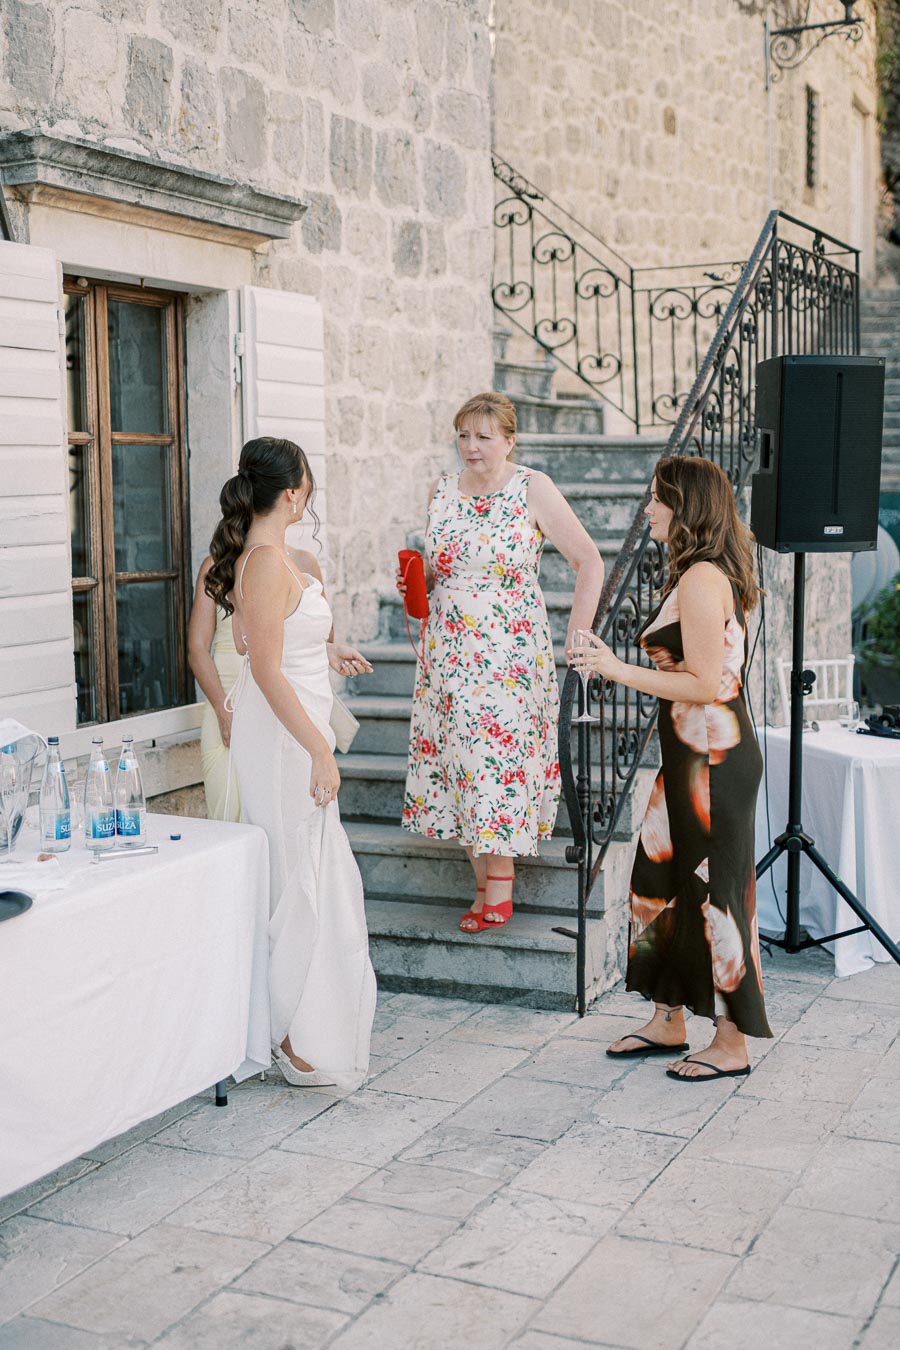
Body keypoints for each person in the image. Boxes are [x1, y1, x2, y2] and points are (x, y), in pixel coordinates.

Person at [570, 455, 772, 1081]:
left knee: (718, 895)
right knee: (660, 879)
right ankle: (669, 1018)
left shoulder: (704, 579)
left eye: (658, 499)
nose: (649, 508)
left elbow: (706, 681)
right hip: (689, 755)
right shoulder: (695, 575)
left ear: (686, 509)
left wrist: (612, 668)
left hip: (714, 757)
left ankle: (732, 1042)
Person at [205, 436, 376, 1089]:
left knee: (313, 874)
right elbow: (266, 671)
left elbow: (261, 642)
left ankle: (300, 1021)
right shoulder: (268, 563)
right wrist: (317, 748)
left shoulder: (269, 560)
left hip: (285, 726)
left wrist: (325, 658)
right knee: (295, 881)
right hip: (282, 739)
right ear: (294, 492)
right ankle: (280, 1031)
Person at [400, 390, 604, 933]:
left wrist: (578, 637)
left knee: (496, 758)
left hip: (508, 650)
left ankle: (498, 884)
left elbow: (589, 561)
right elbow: (441, 566)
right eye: (463, 435)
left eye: (484, 437)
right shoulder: (441, 491)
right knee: (461, 759)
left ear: (509, 441)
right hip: (447, 648)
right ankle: (485, 880)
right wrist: (418, 580)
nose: (471, 446)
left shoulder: (532, 488)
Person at [189, 549, 367, 822]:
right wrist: (222, 711)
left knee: (282, 815)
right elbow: (197, 648)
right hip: (227, 702)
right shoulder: (216, 565)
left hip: (280, 703)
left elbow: (318, 634)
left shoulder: (303, 562)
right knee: (227, 814)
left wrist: (328, 650)